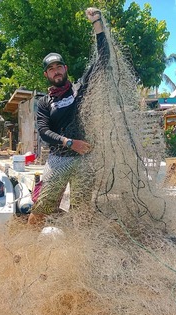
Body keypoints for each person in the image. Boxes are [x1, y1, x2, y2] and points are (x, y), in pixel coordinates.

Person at [28, 7, 109, 226]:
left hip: (84, 161)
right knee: (41, 208)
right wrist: (69, 142)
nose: (56, 71)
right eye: (51, 69)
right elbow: (44, 132)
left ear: (66, 68)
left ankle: (80, 251)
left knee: (82, 212)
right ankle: (27, 249)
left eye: (59, 67)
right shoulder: (44, 102)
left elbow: (103, 59)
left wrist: (97, 24)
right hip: (58, 160)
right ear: (46, 74)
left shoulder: (81, 90)